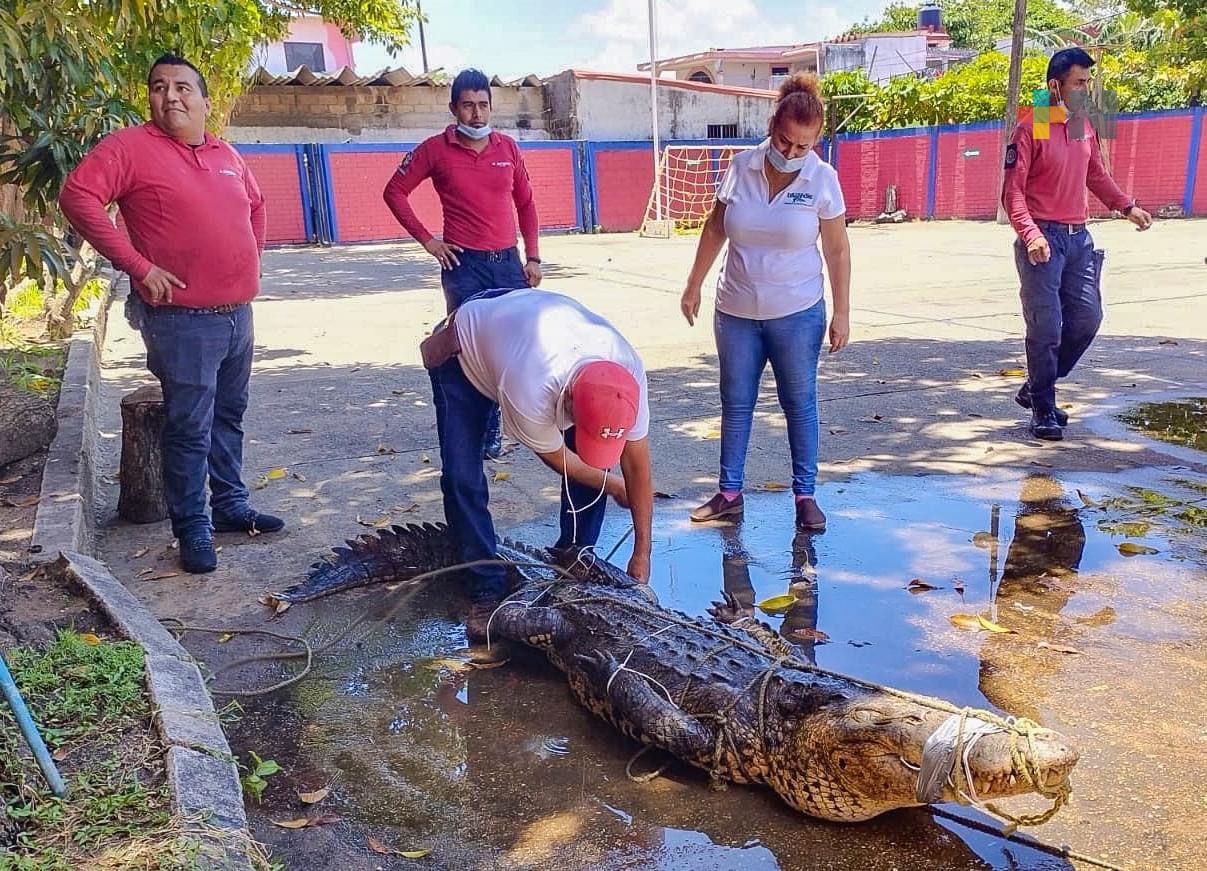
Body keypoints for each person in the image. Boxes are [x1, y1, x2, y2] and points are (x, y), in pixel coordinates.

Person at [60, 54, 283, 574]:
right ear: (151, 100)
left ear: (206, 102)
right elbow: (78, 196)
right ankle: (193, 528)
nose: (171, 96)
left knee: (229, 415)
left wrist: (252, 256)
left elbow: (256, 203)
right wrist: (137, 266)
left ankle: (229, 505)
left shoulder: (225, 152)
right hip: (182, 321)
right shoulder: (130, 148)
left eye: (184, 87)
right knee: (189, 426)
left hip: (237, 316)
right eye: (159, 87)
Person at [424, 288, 654, 642]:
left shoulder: (628, 374)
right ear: (570, 401)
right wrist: (615, 487)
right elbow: (567, 463)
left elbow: (637, 468)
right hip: (465, 352)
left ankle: (576, 556)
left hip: (526, 327)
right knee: (462, 476)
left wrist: (642, 555)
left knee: (595, 466)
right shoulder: (530, 385)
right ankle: (485, 589)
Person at [679, 72, 851, 532]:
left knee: (800, 402)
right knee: (735, 403)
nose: (792, 153)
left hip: (797, 313)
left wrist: (842, 312)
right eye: (785, 141)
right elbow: (715, 228)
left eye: (803, 146)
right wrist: (694, 283)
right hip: (735, 311)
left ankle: (806, 496)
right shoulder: (740, 167)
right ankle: (729, 493)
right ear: (772, 126)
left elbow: (836, 249)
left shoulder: (822, 179)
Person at [383, 68, 542, 460]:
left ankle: (510, 424)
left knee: (514, 347)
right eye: (468, 106)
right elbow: (395, 191)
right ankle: (478, 431)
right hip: (464, 267)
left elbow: (526, 203)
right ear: (454, 107)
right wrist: (429, 241)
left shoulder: (507, 149)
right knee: (470, 351)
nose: (476, 114)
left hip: (508, 264)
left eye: (483, 105)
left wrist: (533, 255)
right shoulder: (435, 150)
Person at [1002, 47, 1153, 441]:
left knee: (1087, 320)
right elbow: (1012, 194)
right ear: (1056, 86)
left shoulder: (1080, 124)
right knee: (1047, 327)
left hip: (1078, 239)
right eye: (1080, 83)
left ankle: (1038, 386)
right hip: (1043, 241)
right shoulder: (1032, 124)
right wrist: (1030, 233)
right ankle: (1043, 407)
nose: (1086, 91)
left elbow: (1096, 175)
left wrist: (1127, 207)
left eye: (1088, 83)